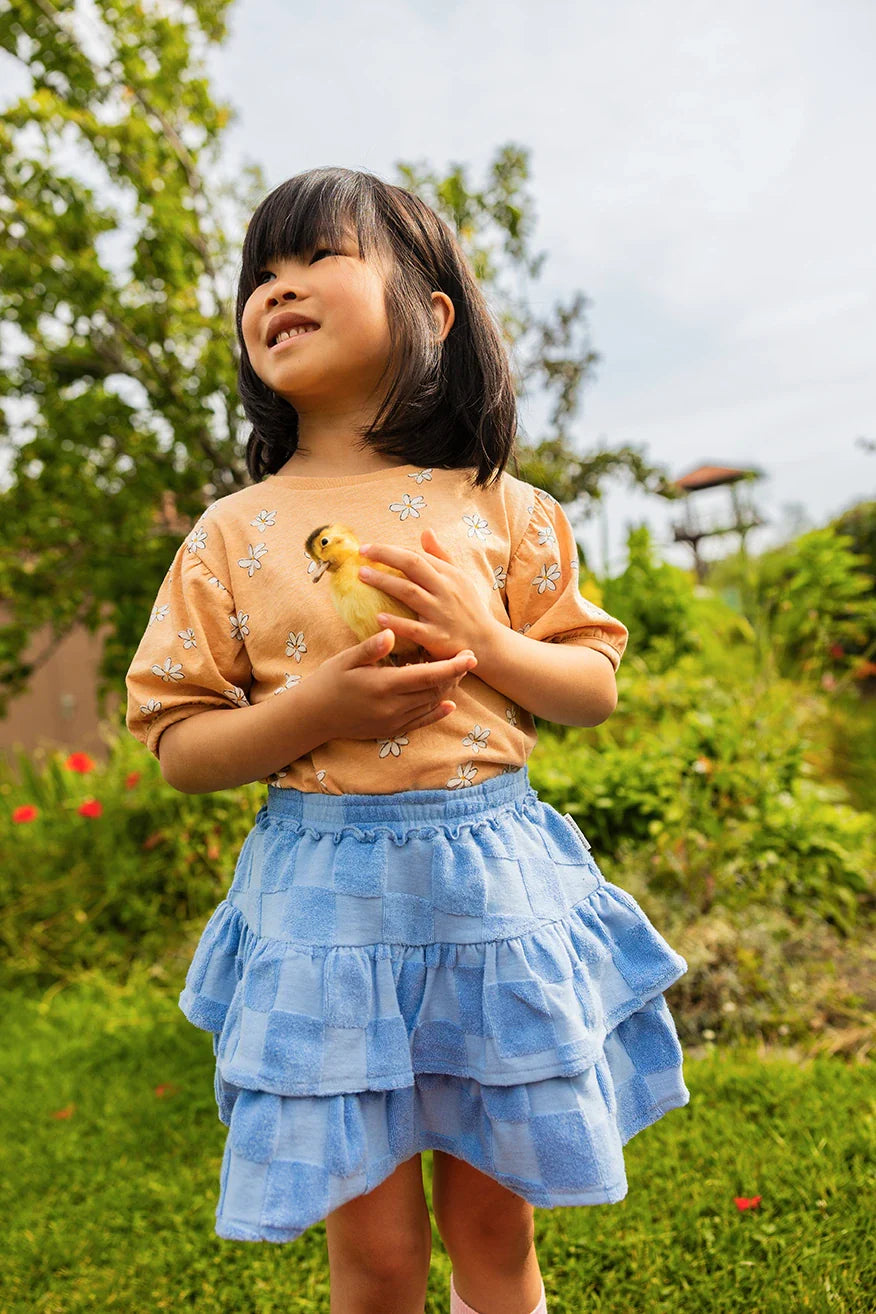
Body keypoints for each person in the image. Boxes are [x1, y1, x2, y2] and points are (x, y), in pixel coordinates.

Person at [125, 167, 691, 1314]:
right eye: (260, 277)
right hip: (327, 911)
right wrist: (312, 713)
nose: (278, 288)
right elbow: (180, 742)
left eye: (317, 257)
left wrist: (486, 639)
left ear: (431, 314)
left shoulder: (502, 507)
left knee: (494, 1229)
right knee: (375, 1261)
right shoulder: (233, 534)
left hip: (487, 896)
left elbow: (588, 687)